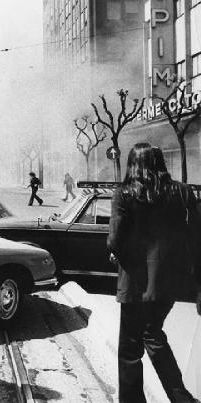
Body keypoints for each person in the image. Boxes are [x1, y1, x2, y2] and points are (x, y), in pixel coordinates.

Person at [107, 143, 201, 403]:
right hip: (167, 283)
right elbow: (197, 239)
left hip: (134, 285)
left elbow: (115, 240)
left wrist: (117, 252)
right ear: (161, 163)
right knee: (153, 333)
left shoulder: (124, 194)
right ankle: (181, 398)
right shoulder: (183, 193)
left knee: (129, 349)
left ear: (131, 165)